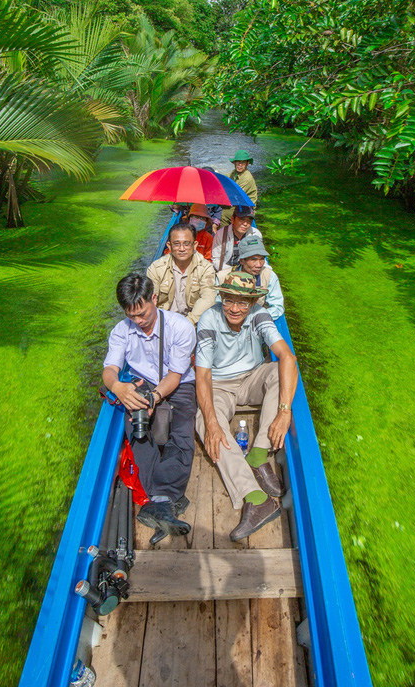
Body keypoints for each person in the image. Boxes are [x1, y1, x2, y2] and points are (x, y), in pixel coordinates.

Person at [195, 271, 298, 541]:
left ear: (252, 303)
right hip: (220, 384)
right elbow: (203, 374)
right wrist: (212, 423)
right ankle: (255, 496)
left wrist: (284, 411)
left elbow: (287, 356)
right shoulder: (209, 319)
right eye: (229, 300)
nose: (234, 308)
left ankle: (258, 453)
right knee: (204, 420)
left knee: (279, 371)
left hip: (253, 376)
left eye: (242, 302)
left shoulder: (259, 315)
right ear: (221, 297)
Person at [102, 273, 197, 538]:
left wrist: (155, 398)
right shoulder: (122, 330)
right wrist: (117, 387)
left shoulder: (181, 327)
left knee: (182, 435)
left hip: (176, 386)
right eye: (132, 316)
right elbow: (110, 369)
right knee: (138, 431)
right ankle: (164, 503)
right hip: (140, 384)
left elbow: (175, 376)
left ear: (154, 298)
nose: (139, 321)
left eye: (143, 314)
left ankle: (158, 501)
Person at [148, 221, 217, 325]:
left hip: (192, 322)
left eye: (186, 244)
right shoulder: (156, 268)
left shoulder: (205, 268)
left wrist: (188, 323)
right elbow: (150, 299)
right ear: (169, 246)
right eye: (176, 244)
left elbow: (208, 299)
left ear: (195, 245)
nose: (181, 249)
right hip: (164, 321)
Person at [217, 233, 284, 320]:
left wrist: (255, 318)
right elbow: (217, 306)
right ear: (242, 261)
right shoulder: (222, 277)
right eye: (253, 259)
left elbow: (277, 306)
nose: (259, 264)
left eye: (262, 259)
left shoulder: (269, 276)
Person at [211, 206, 260, 272]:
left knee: (269, 273)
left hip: (249, 271)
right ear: (232, 219)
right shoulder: (221, 234)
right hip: (226, 271)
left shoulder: (256, 234)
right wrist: (234, 272)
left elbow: (260, 256)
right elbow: (216, 259)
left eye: (249, 221)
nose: (245, 224)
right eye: (242, 219)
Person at [222, 150, 258, 224]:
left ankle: (224, 234)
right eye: (238, 162)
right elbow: (226, 177)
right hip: (237, 203)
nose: (240, 165)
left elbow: (235, 196)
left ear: (247, 164)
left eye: (243, 162)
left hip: (246, 208)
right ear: (234, 163)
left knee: (223, 215)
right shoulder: (235, 172)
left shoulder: (247, 178)